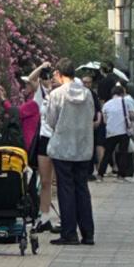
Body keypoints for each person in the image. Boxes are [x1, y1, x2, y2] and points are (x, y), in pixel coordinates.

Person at [46, 58, 96, 245]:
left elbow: (51, 120)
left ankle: (69, 233)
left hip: (63, 148)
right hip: (83, 148)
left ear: (59, 74)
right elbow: (91, 116)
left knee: (65, 190)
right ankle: (88, 233)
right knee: (82, 188)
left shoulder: (56, 94)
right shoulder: (88, 94)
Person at [27, 64, 57, 232]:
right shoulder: (41, 94)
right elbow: (31, 79)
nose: (48, 80)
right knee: (45, 181)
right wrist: (41, 67)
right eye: (45, 78)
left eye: (50, 77)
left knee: (60, 182)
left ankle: (66, 219)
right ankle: (43, 217)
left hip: (60, 140)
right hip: (45, 139)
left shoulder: (62, 93)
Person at [99, 83, 134, 179]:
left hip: (111, 131)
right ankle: (121, 174)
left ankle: (100, 173)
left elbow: (105, 120)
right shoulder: (127, 102)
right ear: (122, 93)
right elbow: (132, 115)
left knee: (108, 153)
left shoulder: (106, 104)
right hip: (124, 131)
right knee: (123, 152)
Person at [82, 73, 104, 180]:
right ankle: (86, 171)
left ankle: (90, 170)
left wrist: (98, 120)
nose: (87, 84)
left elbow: (98, 109)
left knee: (92, 147)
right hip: (84, 125)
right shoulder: (80, 94)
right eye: (85, 82)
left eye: (89, 82)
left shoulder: (93, 94)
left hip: (94, 124)